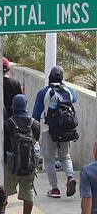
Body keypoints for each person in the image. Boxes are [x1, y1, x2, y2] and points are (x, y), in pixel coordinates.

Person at [31, 65, 79, 199]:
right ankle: (70, 177)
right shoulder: (68, 91)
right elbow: (75, 98)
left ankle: (55, 189)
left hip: (49, 130)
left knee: (49, 159)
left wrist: (35, 134)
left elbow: (36, 115)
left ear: (49, 78)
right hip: (66, 130)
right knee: (65, 156)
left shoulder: (43, 92)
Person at [0, 58, 24, 171]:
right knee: (8, 143)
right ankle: (4, 164)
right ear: (9, 69)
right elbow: (21, 101)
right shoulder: (16, 84)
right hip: (11, 122)